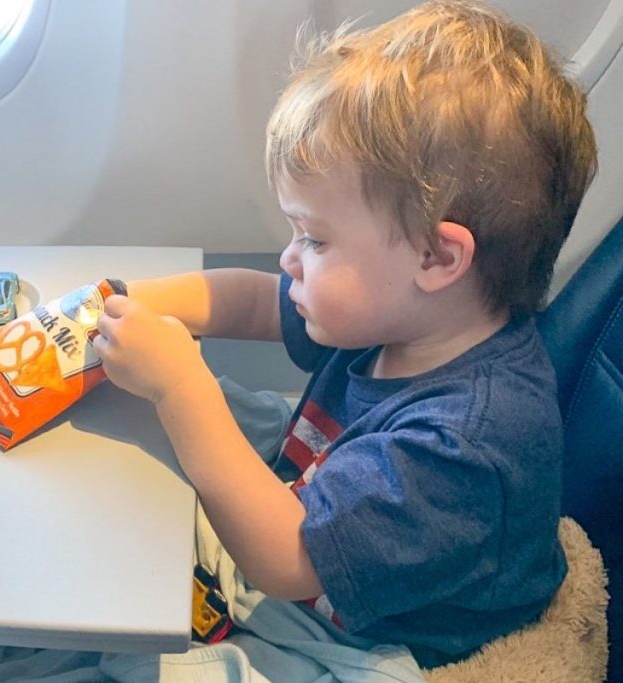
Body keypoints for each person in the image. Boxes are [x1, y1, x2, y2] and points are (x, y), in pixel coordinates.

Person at [91, 0, 597, 669]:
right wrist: (133, 302)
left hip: (378, 638)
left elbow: (288, 559)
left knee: (140, 666)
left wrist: (179, 385)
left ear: (435, 258)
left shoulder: (468, 447)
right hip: (324, 518)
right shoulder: (400, 307)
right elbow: (255, 304)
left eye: (316, 237)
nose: (290, 258)